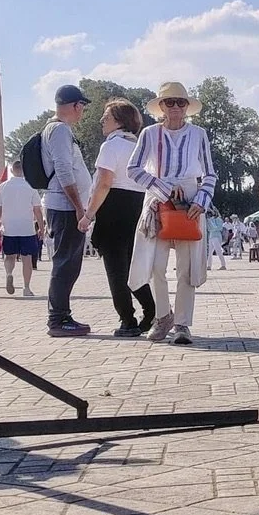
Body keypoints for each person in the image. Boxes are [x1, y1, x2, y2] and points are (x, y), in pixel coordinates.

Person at [127, 80, 217, 345]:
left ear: (187, 106)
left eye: (180, 102)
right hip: (158, 199)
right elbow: (133, 169)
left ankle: (182, 324)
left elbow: (210, 172)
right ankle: (162, 315)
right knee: (155, 264)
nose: (175, 107)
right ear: (161, 106)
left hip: (190, 198)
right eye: (169, 102)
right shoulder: (149, 134)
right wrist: (163, 189)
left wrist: (201, 199)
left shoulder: (198, 134)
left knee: (186, 268)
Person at [78, 98, 155, 337]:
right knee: (134, 266)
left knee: (115, 269)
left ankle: (127, 320)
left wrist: (88, 215)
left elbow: (103, 183)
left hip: (113, 206)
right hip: (137, 205)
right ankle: (152, 310)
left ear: (119, 122)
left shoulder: (111, 146)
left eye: (107, 117)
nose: (102, 120)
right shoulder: (141, 146)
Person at [41, 84, 93, 336]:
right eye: (82, 106)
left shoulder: (57, 130)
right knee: (65, 264)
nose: (82, 112)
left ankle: (61, 316)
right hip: (64, 207)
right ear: (74, 105)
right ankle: (58, 319)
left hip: (63, 205)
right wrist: (78, 207)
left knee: (68, 263)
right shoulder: (60, 130)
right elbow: (63, 171)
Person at [0, 160, 43, 298]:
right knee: (27, 259)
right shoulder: (30, 186)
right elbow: (37, 210)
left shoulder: (2, 187)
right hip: (27, 228)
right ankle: (26, 288)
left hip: (9, 228)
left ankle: (9, 274)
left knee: (9, 256)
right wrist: (42, 229)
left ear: (12, 170)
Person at [206, 206, 227, 270]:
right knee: (210, 253)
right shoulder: (210, 220)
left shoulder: (219, 220)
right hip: (211, 236)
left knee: (218, 251)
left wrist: (211, 223)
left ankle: (223, 265)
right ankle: (209, 266)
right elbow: (209, 229)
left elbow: (218, 228)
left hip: (216, 236)